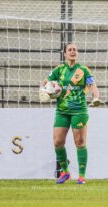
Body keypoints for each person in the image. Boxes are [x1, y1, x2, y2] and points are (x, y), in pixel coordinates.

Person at [39, 43, 103, 184]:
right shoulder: (59, 70)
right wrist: (43, 92)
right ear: (65, 54)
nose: (73, 51)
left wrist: (96, 98)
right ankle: (65, 172)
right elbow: (45, 82)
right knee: (58, 142)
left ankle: (81, 176)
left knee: (80, 142)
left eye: (75, 49)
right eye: (70, 50)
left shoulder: (83, 70)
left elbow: (92, 85)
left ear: (77, 53)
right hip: (62, 111)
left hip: (79, 111)